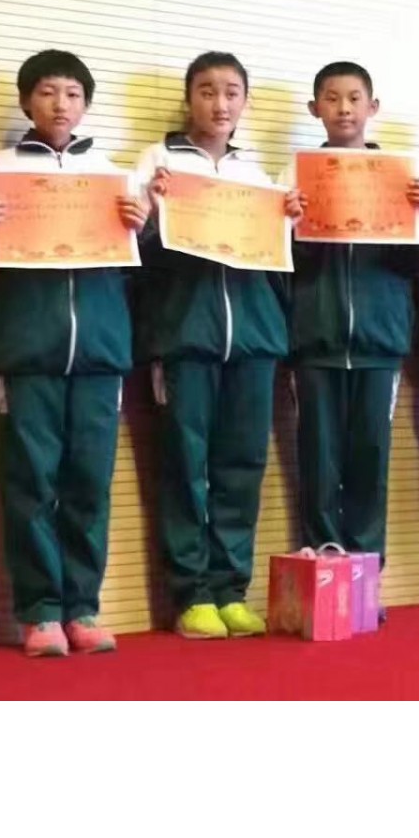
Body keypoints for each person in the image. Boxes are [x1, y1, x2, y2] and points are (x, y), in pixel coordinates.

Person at [0, 49, 146, 656]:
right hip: (26, 351)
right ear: (26, 101)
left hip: (100, 354)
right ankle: (39, 614)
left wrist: (143, 225)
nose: (61, 104)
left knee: (90, 483)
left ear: (86, 105)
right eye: (48, 92)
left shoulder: (112, 175)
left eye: (73, 94)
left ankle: (83, 608)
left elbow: (139, 268)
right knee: (30, 482)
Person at [135, 52, 303, 639]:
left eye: (232, 92)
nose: (220, 103)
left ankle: (231, 589)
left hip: (254, 340)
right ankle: (192, 595)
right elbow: (129, 248)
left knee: (242, 467)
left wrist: (288, 221)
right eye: (207, 91)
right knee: (185, 466)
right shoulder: (157, 162)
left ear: (245, 102)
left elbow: (279, 260)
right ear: (189, 99)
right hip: (184, 338)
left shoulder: (259, 176)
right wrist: (151, 212)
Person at [282, 61, 419, 574]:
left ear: (373, 107)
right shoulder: (293, 176)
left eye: (353, 98)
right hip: (315, 339)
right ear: (315, 109)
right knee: (318, 460)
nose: (343, 109)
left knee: (371, 459)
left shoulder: (401, 176)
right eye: (331, 98)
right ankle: (324, 569)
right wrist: (288, 223)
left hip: (379, 340)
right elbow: (282, 263)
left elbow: (416, 265)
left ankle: (366, 575)